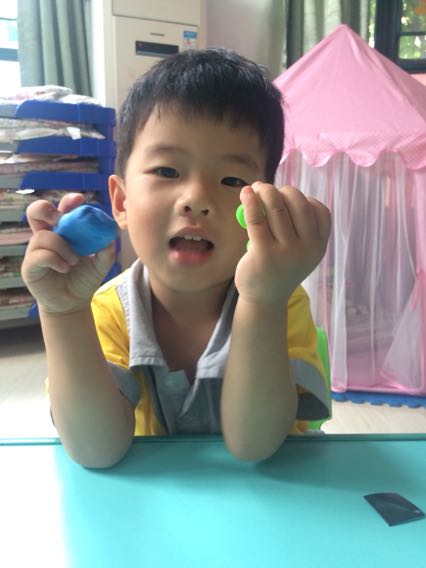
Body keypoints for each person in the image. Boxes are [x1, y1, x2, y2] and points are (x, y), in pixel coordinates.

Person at [21, 48, 331, 468]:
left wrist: (264, 301)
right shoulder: (106, 311)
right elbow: (96, 450)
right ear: (121, 202)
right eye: (167, 171)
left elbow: (254, 446)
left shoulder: (281, 300)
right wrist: (62, 312)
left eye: (231, 179)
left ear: (262, 207)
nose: (197, 199)